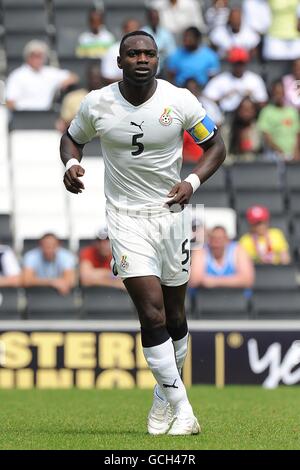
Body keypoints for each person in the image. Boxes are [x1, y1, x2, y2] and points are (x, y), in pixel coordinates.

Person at [60, 31, 226, 435]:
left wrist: (192, 182)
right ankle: (183, 410)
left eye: (148, 53)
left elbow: (217, 146)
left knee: (174, 315)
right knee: (150, 312)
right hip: (125, 218)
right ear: (119, 61)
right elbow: (71, 138)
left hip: (173, 215)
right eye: (133, 53)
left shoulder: (179, 100)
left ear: (158, 60)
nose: (141, 58)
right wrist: (70, 165)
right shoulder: (97, 102)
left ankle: (162, 399)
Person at [6, 40, 78, 111]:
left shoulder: (50, 73)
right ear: (27, 57)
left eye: (40, 56)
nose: (37, 59)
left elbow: (73, 77)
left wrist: (64, 83)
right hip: (24, 115)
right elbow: (10, 102)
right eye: (34, 56)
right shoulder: (17, 75)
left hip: (45, 114)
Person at [203, 47, 268, 113]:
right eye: (236, 63)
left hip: (249, 116)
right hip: (225, 115)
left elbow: (263, 102)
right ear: (231, 63)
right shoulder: (220, 80)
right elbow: (207, 100)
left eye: (241, 63)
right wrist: (223, 97)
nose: (239, 67)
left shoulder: (255, 79)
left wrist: (252, 96)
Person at [189, 226, 254, 289]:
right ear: (209, 240)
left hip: (235, 298)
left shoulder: (238, 250)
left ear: (227, 240)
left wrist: (213, 282)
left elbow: (247, 280)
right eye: (213, 239)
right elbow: (194, 280)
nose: (217, 243)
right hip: (205, 298)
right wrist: (234, 280)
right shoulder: (201, 251)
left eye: (220, 239)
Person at [257, 80, 300, 161]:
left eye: (280, 93)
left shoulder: (292, 111)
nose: (278, 96)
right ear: (272, 94)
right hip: (274, 155)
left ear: (284, 93)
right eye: (276, 93)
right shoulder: (266, 112)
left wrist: (296, 151)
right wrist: (280, 151)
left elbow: (297, 133)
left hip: (293, 155)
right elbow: (266, 136)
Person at [56, 65, 103, 133]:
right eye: (92, 77)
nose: (95, 81)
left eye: (97, 78)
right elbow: (64, 122)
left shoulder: (110, 97)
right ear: (87, 77)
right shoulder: (72, 97)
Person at [101, 18, 141, 84]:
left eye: (136, 29)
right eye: (130, 29)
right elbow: (107, 77)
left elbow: (155, 75)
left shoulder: (147, 49)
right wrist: (132, 80)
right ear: (124, 30)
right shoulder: (112, 50)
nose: (133, 32)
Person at [142, 7, 176, 72]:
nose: (154, 20)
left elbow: (171, 52)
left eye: (156, 18)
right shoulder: (143, 32)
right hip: (148, 65)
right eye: (152, 18)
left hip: (165, 66)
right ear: (148, 19)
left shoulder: (166, 33)